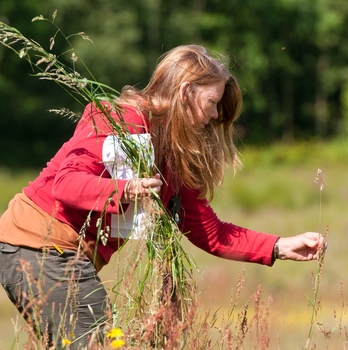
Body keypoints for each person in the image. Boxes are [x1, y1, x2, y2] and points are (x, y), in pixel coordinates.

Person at [0, 45, 326, 348]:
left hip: (62, 256)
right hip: (37, 245)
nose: (215, 115)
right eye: (212, 103)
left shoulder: (172, 151)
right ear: (186, 92)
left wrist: (278, 246)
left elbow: (207, 231)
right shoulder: (121, 118)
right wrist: (124, 189)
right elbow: (66, 183)